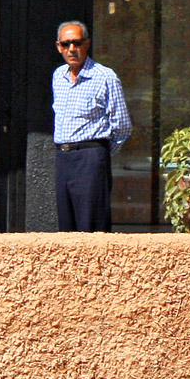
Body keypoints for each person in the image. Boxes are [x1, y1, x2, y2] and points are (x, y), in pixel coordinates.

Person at [51, 20, 130, 231]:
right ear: (59, 47)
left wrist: (100, 153)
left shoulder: (105, 77)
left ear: (87, 44)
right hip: (63, 157)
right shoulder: (58, 76)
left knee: (92, 225)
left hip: (90, 158)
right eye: (66, 44)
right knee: (66, 225)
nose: (72, 49)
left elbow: (122, 126)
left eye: (77, 43)